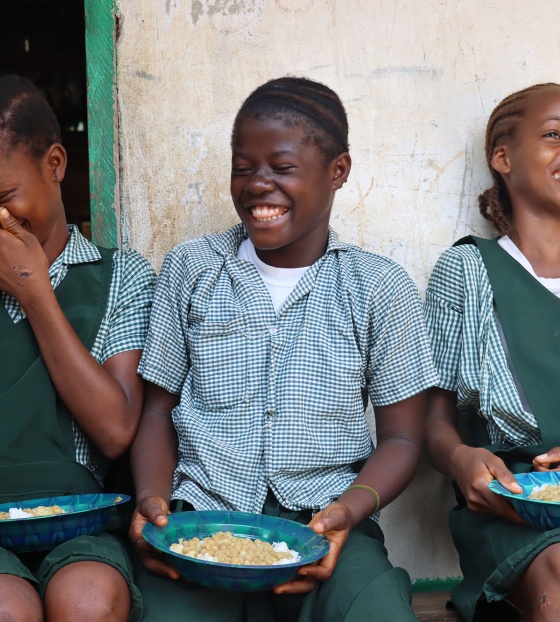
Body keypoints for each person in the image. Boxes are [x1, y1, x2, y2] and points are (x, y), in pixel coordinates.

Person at [130, 75, 438, 622]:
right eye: (243, 168)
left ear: (337, 171)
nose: (257, 185)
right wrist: (152, 503)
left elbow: (402, 435)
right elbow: (156, 411)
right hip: (203, 520)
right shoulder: (193, 269)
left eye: (282, 168)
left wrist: (349, 512)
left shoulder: (378, 287)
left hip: (325, 524)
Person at [0, 75, 156, 622]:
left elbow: (116, 431)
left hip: (82, 524)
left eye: (3, 199)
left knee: (88, 602)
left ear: (56, 165)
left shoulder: (121, 276)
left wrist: (35, 292)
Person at [424, 82, 560, 622]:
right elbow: (434, 416)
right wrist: (460, 460)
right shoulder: (467, 271)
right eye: (553, 135)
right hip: (512, 508)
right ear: (502, 158)